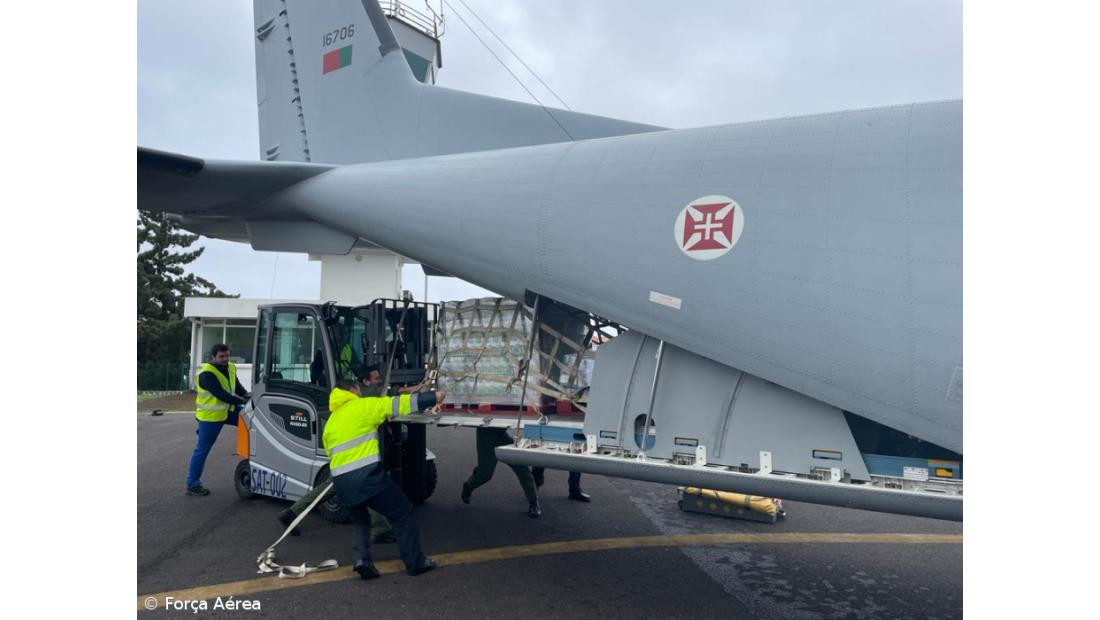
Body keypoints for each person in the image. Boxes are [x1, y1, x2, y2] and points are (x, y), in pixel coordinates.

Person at [324, 378, 443, 579]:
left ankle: (362, 561)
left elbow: (331, 453)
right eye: (359, 390)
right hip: (367, 477)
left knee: (361, 521)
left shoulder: (331, 422)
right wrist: (433, 397)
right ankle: (416, 563)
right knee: (403, 512)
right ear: (353, 390)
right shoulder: (363, 405)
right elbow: (397, 404)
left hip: (341, 482)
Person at [277, 367, 396, 542]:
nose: (379, 381)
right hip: (351, 456)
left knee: (330, 487)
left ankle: (292, 511)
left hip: (342, 456)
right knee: (367, 484)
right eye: (376, 378)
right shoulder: (361, 399)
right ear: (355, 388)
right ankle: (380, 528)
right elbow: (386, 396)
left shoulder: (341, 406)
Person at [186, 343, 250, 496]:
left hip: (228, 411)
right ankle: (192, 484)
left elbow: (237, 388)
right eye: (221, 356)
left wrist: (248, 396)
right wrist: (241, 402)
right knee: (202, 449)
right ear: (213, 357)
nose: (225, 359)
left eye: (227, 356)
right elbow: (220, 394)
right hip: (210, 417)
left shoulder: (231, 367)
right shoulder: (206, 374)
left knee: (253, 423)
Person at [461, 426, 542, 518]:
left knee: (522, 468)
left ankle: (534, 503)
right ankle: (468, 486)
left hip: (501, 435)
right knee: (485, 474)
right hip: (485, 436)